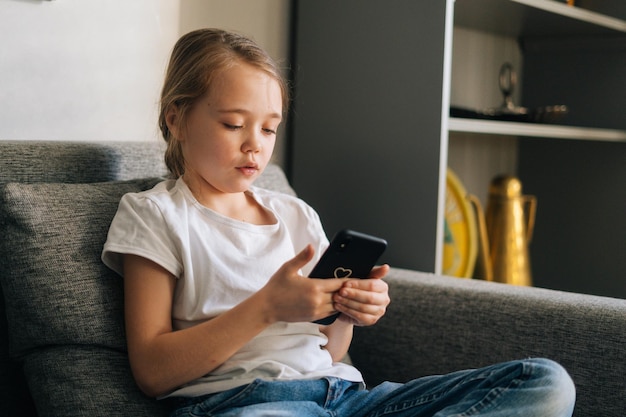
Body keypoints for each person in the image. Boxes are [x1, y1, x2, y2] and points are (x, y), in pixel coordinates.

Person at [102, 28, 576, 417]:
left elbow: (329, 350)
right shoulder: (156, 216)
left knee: (544, 383)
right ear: (177, 118)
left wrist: (346, 311)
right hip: (247, 404)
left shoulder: (294, 214)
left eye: (269, 128)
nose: (255, 145)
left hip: (345, 398)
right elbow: (153, 372)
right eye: (233, 124)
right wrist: (267, 307)